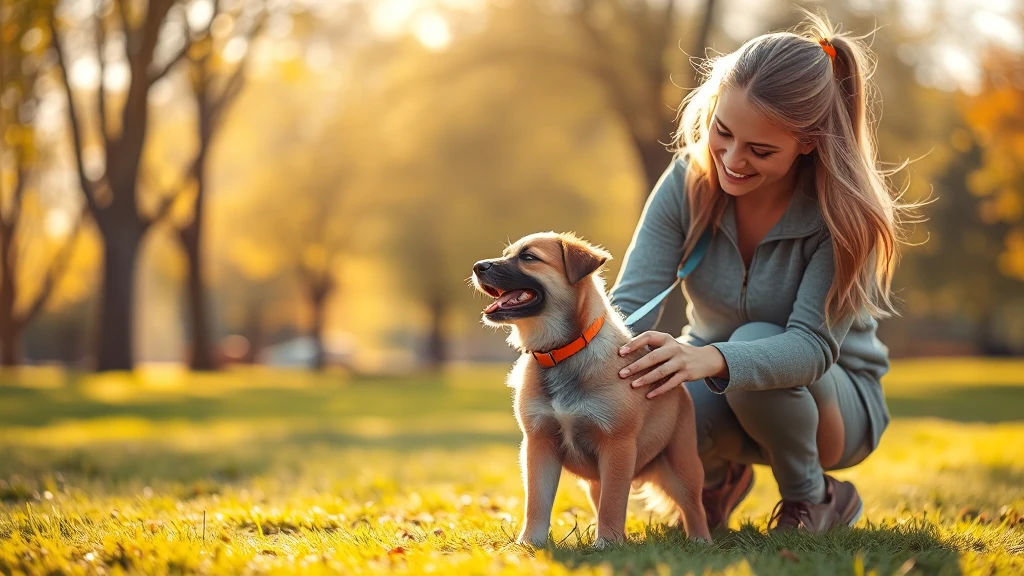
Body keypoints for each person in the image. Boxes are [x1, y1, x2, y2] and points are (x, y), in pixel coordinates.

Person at [607, 10, 922, 533]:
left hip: (834, 408)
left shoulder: (844, 215)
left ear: (809, 141)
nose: (732, 159)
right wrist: (594, 372)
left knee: (755, 342)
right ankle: (713, 479)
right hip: (717, 379)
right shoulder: (687, 182)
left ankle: (815, 497)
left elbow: (811, 349)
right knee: (641, 401)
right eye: (722, 132)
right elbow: (628, 308)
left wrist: (708, 356)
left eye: (760, 150)